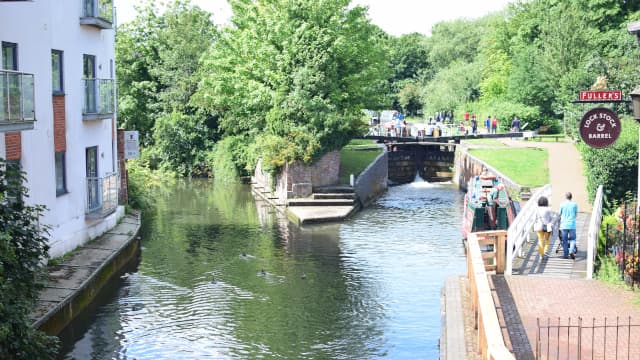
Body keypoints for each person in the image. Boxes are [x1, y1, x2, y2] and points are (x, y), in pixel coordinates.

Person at [559, 192, 578, 259]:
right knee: (573, 239)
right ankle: (571, 250)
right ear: (571, 197)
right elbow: (576, 215)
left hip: (564, 225)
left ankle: (566, 254)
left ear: (565, 197)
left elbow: (559, 214)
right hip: (572, 224)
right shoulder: (575, 204)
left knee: (564, 240)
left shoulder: (562, 204)